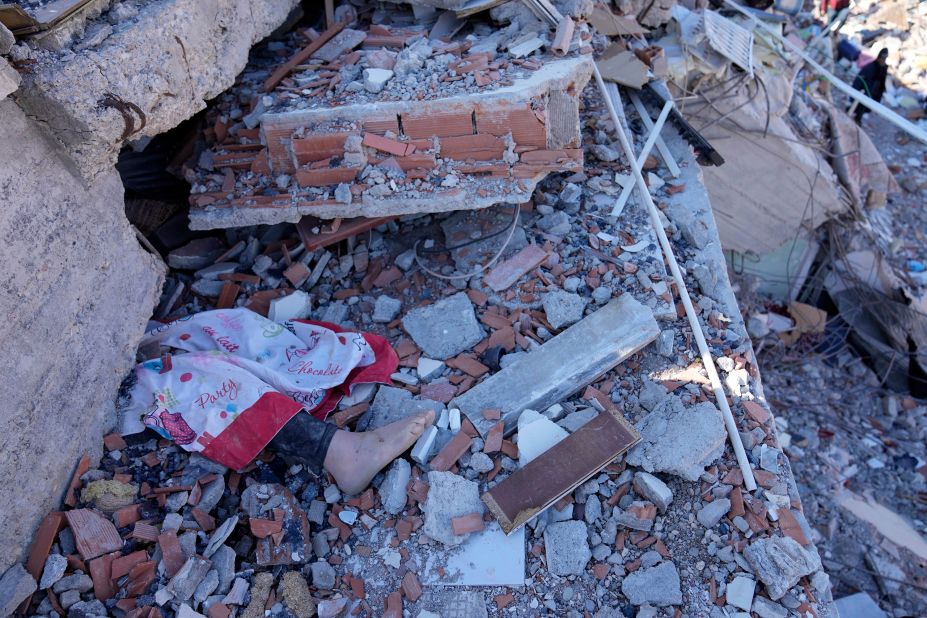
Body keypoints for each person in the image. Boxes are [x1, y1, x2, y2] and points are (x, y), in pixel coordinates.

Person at [122, 308, 435, 495]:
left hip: (140, 337)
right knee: (200, 383)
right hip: (116, 385)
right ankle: (340, 452)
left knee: (236, 329)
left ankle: (301, 384)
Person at [850, 48, 889, 124]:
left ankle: (856, 117)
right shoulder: (871, 67)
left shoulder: (883, 68)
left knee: (865, 107)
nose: (882, 60)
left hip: (874, 92)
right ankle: (856, 119)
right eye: (882, 58)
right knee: (860, 106)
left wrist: (882, 89)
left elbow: (882, 80)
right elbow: (860, 79)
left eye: (884, 58)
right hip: (866, 91)